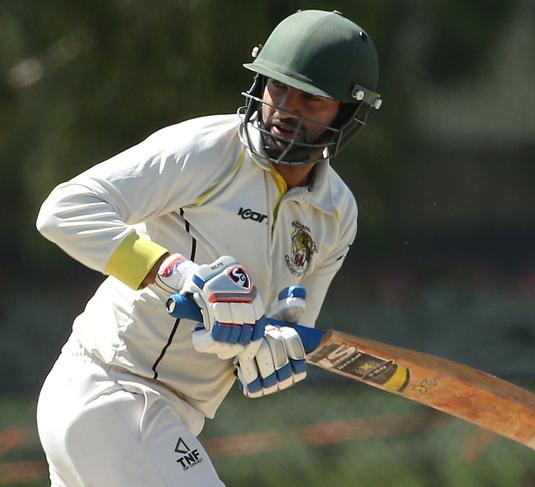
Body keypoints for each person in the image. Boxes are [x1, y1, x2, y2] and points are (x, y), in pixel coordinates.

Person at [35, 9, 381, 486]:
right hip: (114, 388)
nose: (283, 108)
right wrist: (176, 272)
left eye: (310, 99)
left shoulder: (336, 214)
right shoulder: (207, 150)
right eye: (276, 86)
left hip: (173, 417)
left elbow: (279, 336)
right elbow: (63, 211)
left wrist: (268, 346)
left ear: (346, 112)